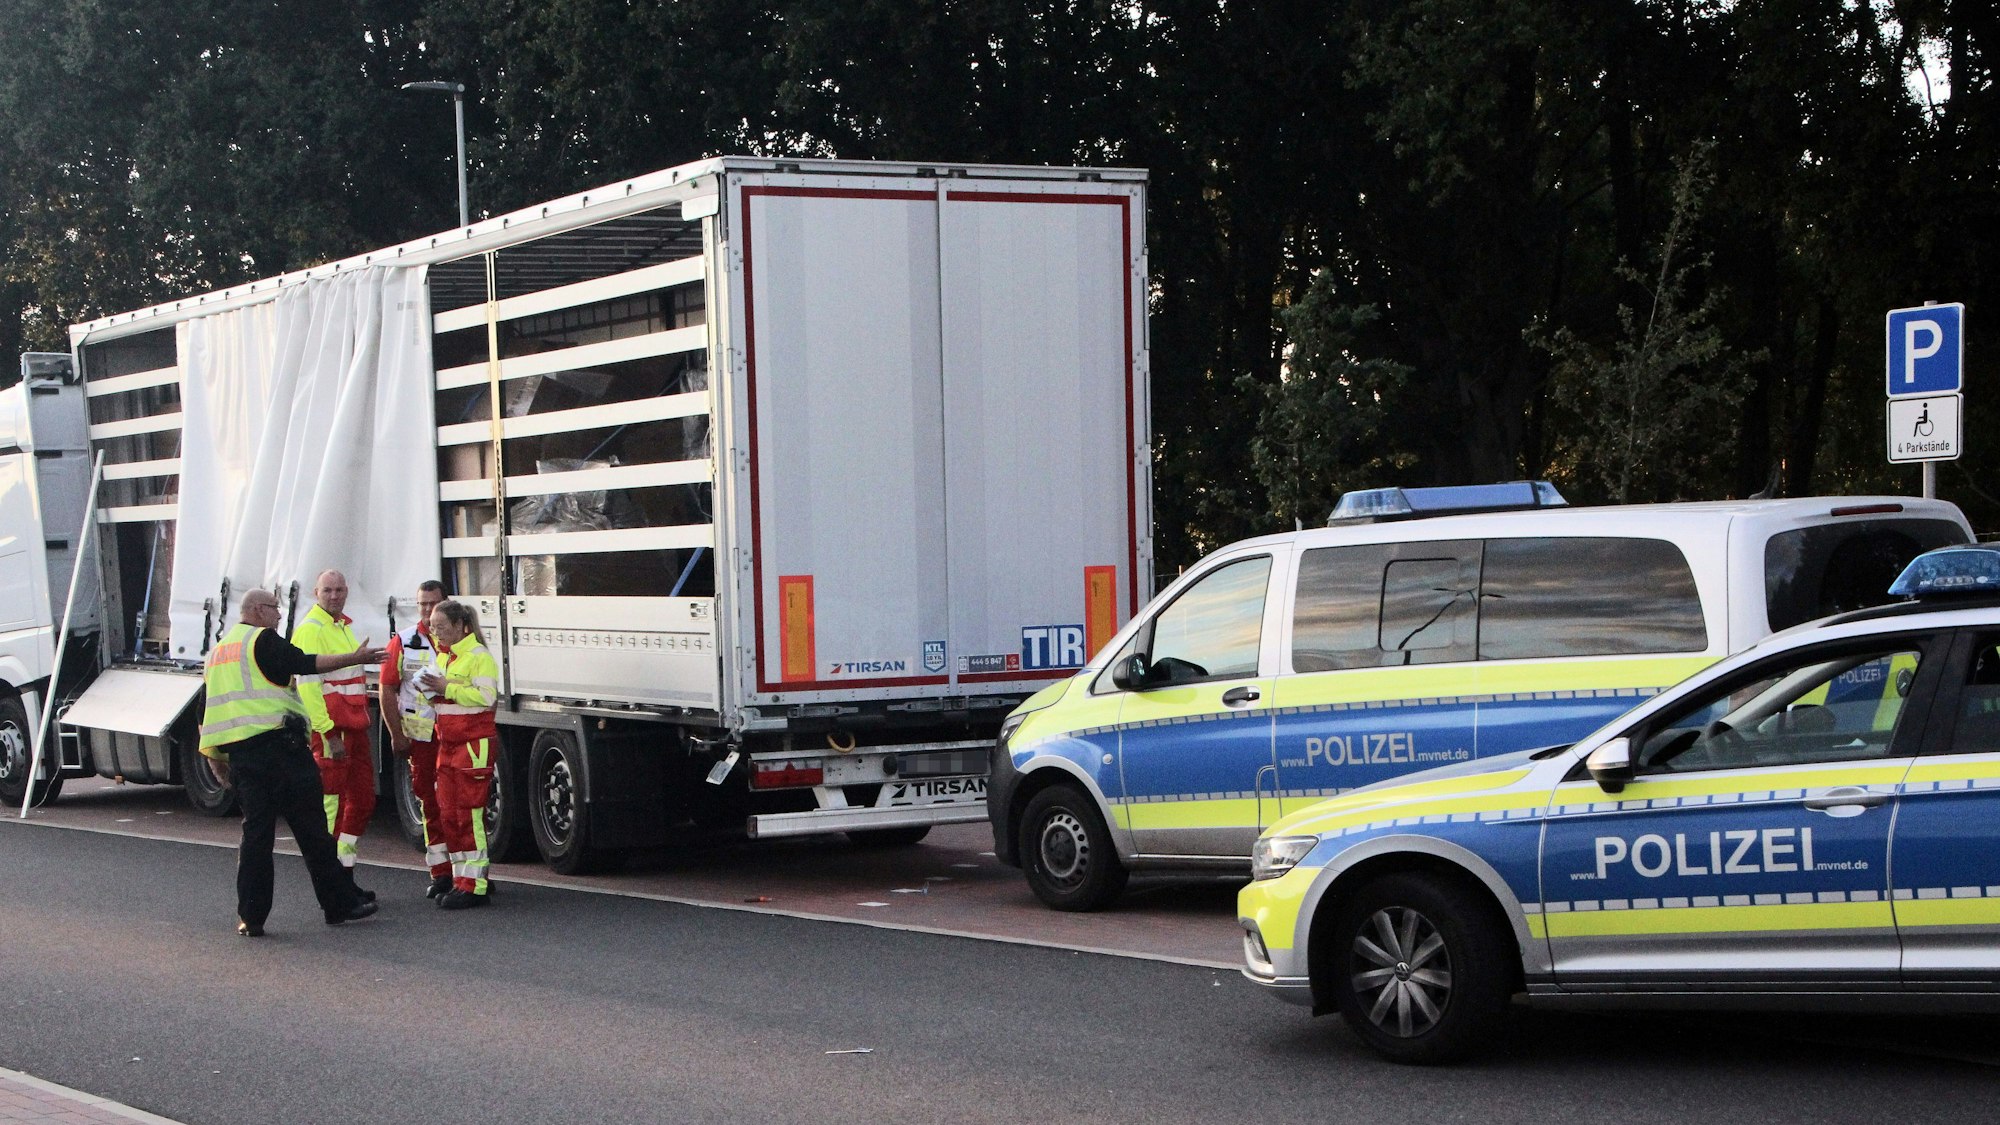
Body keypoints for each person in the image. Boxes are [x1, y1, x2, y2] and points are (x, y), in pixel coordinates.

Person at [199, 589, 387, 935]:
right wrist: (354, 658)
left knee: (256, 838)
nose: (279, 615)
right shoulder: (262, 640)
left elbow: (207, 714)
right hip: (282, 752)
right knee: (313, 832)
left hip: (244, 758)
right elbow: (306, 663)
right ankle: (338, 905)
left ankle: (252, 917)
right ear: (258, 610)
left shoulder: (218, 652)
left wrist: (217, 763)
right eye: (275, 608)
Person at [293, 570, 377, 877]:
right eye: (327, 590)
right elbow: (307, 687)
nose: (334, 595)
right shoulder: (312, 629)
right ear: (315, 593)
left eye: (339, 590)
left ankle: (344, 870)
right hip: (333, 730)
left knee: (362, 800)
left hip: (353, 727)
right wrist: (328, 733)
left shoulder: (341, 626)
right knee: (332, 804)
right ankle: (331, 876)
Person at [424, 599, 500, 910]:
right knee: (449, 814)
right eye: (432, 627)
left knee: (469, 815)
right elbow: (445, 700)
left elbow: (486, 697)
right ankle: (461, 880)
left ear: (460, 626)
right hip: (449, 744)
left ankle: (474, 885)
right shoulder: (445, 656)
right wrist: (431, 692)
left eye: (441, 627)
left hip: (472, 745)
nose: (436, 633)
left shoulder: (479, 656)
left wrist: (447, 688)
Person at [380, 580, 449, 899]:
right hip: (421, 739)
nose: (427, 610)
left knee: (460, 805)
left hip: (455, 736)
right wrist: (396, 734)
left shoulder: (460, 640)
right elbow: (387, 689)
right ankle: (441, 873)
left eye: (433, 603)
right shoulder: (403, 641)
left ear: (445, 603)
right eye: (422, 604)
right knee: (430, 803)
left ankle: (467, 875)